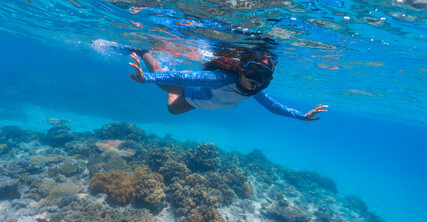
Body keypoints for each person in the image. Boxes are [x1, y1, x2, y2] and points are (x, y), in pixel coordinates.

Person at [128, 49, 328, 120]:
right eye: (252, 71)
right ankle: (144, 50)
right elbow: (180, 78)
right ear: (242, 68)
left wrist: (301, 116)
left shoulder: (255, 91)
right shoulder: (221, 79)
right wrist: (146, 79)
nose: (256, 80)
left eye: (264, 75)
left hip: (200, 103)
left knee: (172, 110)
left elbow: (275, 107)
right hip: (189, 91)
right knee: (160, 74)